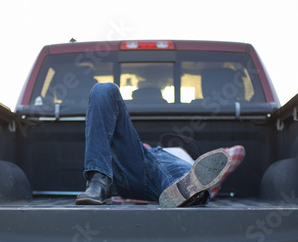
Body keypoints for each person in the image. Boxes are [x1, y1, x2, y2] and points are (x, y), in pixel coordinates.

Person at [75, 83, 241, 207]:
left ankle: (191, 192)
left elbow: (238, 151)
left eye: (183, 145)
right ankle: (98, 183)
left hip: (175, 177)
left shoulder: (192, 162)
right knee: (104, 89)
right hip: (138, 168)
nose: (177, 144)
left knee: (184, 176)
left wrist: (215, 168)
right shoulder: (153, 151)